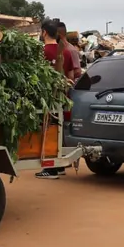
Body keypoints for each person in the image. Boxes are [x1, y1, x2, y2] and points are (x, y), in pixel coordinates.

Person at [36, 19, 73, 180]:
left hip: (47, 98)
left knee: (48, 129)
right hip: (63, 97)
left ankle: (50, 169)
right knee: (58, 128)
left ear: (44, 32)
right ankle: (58, 166)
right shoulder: (65, 52)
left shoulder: (41, 52)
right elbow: (71, 76)